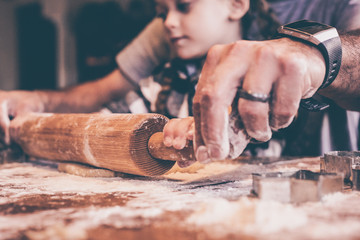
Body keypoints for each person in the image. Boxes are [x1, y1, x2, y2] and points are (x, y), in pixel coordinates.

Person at [1, 0, 360, 164]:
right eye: (162, 12)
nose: (168, 23)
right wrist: (36, 103)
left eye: (183, 7)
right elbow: (105, 103)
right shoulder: (164, 75)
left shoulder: (263, 88)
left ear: (237, 6)